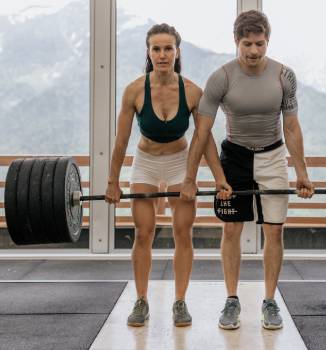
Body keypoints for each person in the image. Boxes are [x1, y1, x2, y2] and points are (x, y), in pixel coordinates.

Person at [180, 10, 314, 330]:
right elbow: (201, 132)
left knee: (274, 230)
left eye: (260, 44)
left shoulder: (284, 76)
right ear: (235, 41)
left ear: (267, 41)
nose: (254, 51)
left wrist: (302, 173)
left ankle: (269, 301)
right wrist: (191, 179)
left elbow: (292, 127)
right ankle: (231, 300)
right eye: (247, 44)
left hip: (272, 155)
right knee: (231, 230)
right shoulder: (221, 78)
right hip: (235, 157)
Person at [105, 23, 231, 327]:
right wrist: (112, 182)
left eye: (168, 48)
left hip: (179, 161)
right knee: (143, 233)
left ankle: (180, 301)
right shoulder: (135, 90)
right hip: (146, 161)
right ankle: (141, 300)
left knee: (182, 232)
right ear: (149, 53)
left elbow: (205, 138)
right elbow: (121, 141)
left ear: (177, 51)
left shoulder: (192, 91)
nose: (162, 54)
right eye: (156, 49)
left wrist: (219, 179)